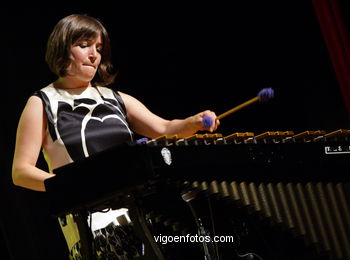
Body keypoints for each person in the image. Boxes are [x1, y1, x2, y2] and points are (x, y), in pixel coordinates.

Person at [11, 14, 219, 259]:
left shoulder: (114, 98)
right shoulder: (42, 103)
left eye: (98, 48)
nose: (94, 55)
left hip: (141, 218)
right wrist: (72, 188)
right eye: (84, 45)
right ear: (62, 49)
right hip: (93, 227)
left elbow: (164, 129)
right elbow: (21, 172)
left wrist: (192, 122)